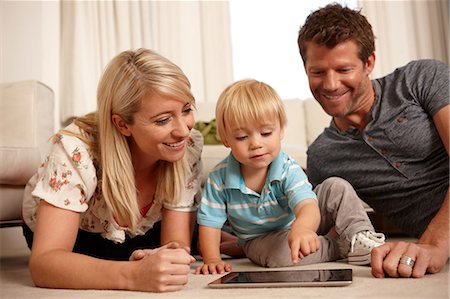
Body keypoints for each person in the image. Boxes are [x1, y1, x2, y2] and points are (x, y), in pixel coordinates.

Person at [21, 48, 203, 292]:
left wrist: (173, 259)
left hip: (144, 234)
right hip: (82, 237)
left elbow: (174, 245)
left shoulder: (186, 146)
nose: (183, 130)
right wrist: (133, 276)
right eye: (163, 120)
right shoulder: (75, 150)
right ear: (122, 124)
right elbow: (44, 264)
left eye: (187, 110)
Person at [297, 4, 449, 279]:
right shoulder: (323, 156)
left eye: (344, 69)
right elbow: (322, 229)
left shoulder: (420, 79)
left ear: (369, 63)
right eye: (318, 72)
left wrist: (434, 244)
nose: (331, 84)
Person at [195, 79, 385, 275]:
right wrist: (212, 259)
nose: (256, 144)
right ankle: (339, 245)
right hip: (261, 239)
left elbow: (306, 206)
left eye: (266, 133)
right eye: (243, 137)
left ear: (281, 131)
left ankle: (360, 235)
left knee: (336, 186)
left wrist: (303, 229)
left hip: (304, 219)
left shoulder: (287, 167)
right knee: (277, 256)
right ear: (225, 139)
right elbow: (210, 222)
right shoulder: (220, 178)